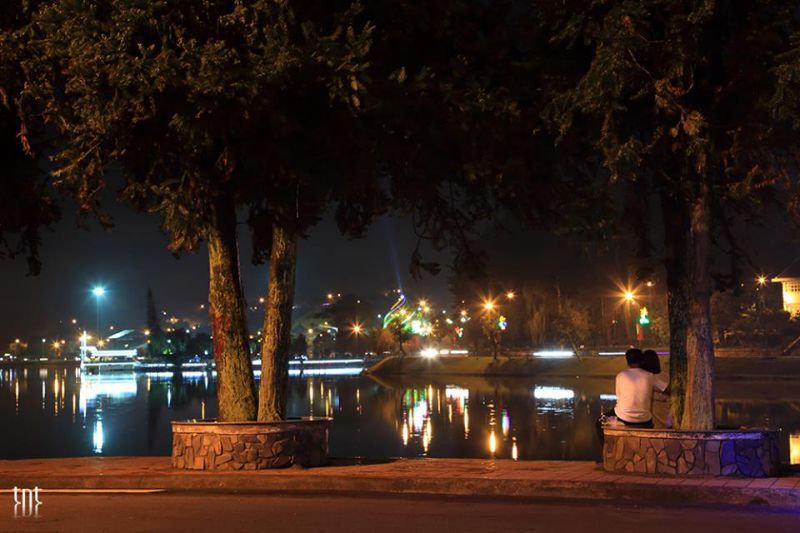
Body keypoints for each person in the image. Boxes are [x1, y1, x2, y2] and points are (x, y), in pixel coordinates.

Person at [596, 348, 669, 452]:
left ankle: (606, 451)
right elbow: (667, 389)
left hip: (623, 417)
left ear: (627, 361)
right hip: (644, 420)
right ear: (642, 361)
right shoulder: (650, 376)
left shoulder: (620, 376)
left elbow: (619, 396)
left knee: (599, 422)